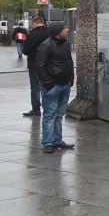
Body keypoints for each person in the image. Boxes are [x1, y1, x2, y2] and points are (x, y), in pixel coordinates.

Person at [34, 22, 75, 153]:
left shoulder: (66, 44)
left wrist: (71, 79)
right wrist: (49, 84)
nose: (67, 30)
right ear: (58, 31)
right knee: (50, 114)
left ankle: (57, 140)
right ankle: (48, 142)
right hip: (53, 85)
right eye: (65, 28)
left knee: (59, 114)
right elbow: (40, 66)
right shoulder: (46, 46)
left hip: (65, 84)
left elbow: (69, 62)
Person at [22, 17, 48, 117]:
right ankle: (48, 108)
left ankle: (36, 109)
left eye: (31, 24)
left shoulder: (32, 34)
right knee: (47, 86)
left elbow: (26, 51)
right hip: (48, 64)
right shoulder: (49, 33)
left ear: (35, 23)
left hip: (34, 64)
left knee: (35, 87)